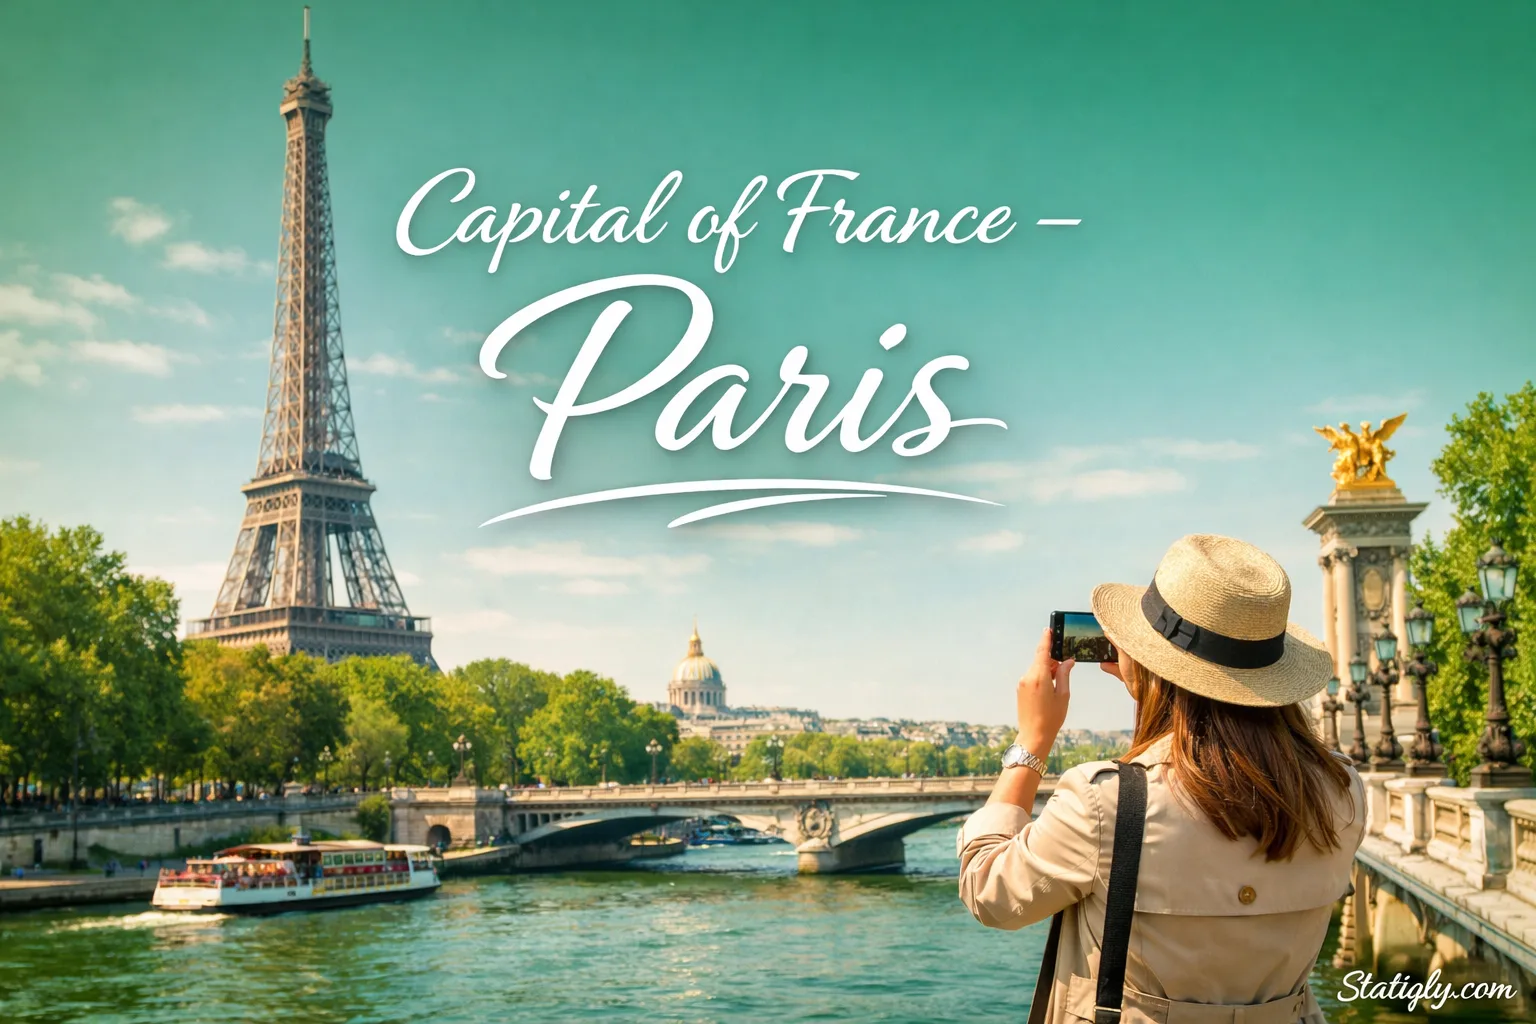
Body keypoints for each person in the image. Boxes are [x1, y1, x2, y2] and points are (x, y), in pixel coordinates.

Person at [958, 534, 1363, 1024]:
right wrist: (1153, 683)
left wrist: (1033, 740)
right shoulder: (1341, 790)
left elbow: (990, 891)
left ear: (1152, 662)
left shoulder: (1109, 801)